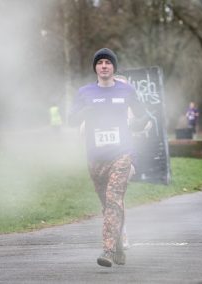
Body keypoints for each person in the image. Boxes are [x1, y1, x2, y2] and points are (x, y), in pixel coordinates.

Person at [69, 48, 146, 267]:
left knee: (114, 201)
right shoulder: (85, 93)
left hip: (121, 154)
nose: (104, 66)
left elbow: (142, 115)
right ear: (95, 67)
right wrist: (84, 112)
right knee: (108, 205)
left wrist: (142, 122)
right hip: (95, 157)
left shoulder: (126, 90)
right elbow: (71, 120)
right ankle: (119, 248)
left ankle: (109, 251)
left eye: (108, 63)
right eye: (100, 62)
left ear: (114, 67)